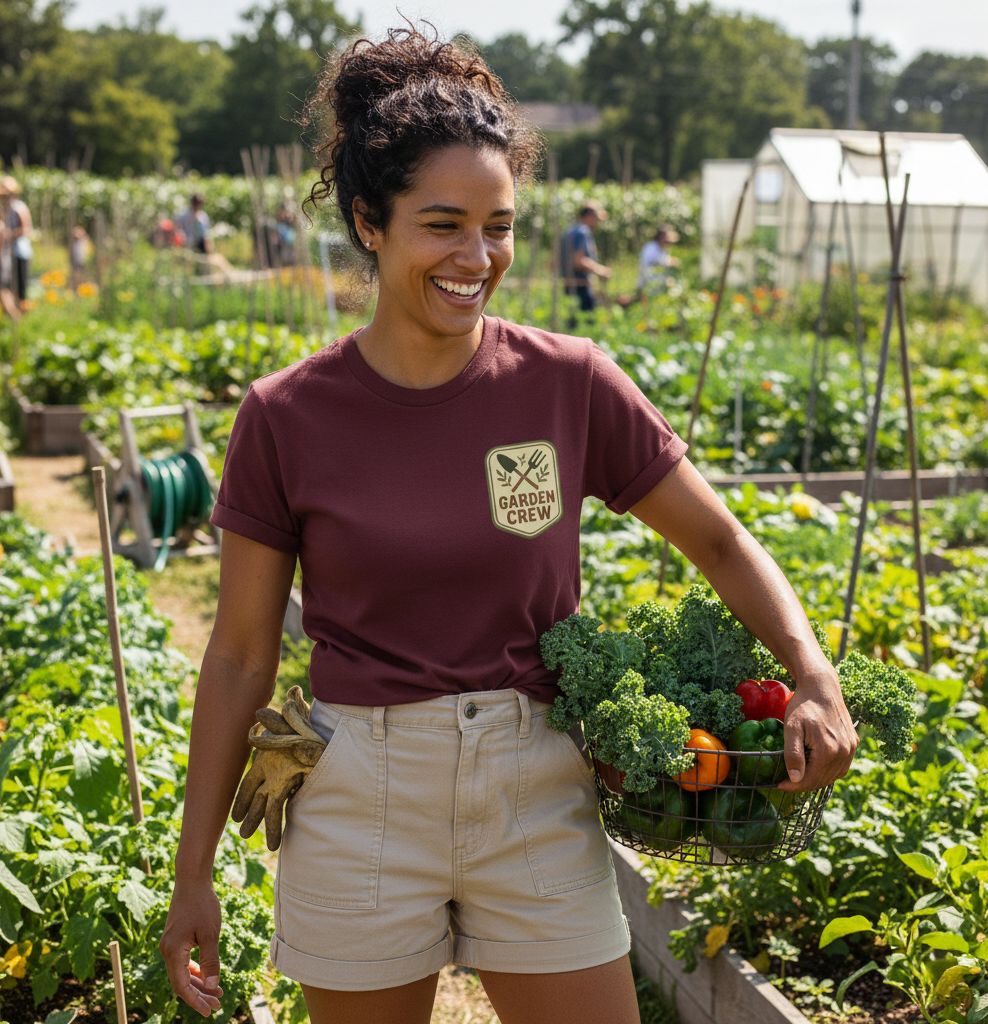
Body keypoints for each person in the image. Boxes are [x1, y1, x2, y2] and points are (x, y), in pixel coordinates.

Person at [159, 28, 857, 1024]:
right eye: (443, 225)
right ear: (368, 223)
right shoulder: (287, 415)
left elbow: (719, 541)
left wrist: (812, 672)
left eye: (499, 226)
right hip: (358, 793)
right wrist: (193, 875)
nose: (476, 257)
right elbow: (237, 657)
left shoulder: (568, 382)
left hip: (536, 784)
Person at [559, 200, 611, 318]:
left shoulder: (569, 231)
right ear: (589, 215)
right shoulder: (583, 232)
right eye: (596, 218)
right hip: (581, 286)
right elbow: (579, 260)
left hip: (569, 284)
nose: (597, 223)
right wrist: (600, 270)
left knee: (572, 320)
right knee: (586, 319)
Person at [0, 175, 33, 306]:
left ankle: (22, 312)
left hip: (20, 251)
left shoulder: (19, 207)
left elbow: (25, 230)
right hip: (7, 253)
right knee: (7, 285)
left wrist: (7, 234)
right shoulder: (5, 208)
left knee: (20, 287)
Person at [635, 224, 680, 301]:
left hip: (657, 286)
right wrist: (668, 263)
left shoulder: (661, 249)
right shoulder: (651, 248)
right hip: (649, 285)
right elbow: (654, 263)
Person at [69, 225, 90, 290]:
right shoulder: (75, 242)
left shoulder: (85, 241)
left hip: (84, 261)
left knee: (83, 275)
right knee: (76, 275)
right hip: (76, 261)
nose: (76, 235)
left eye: (77, 233)